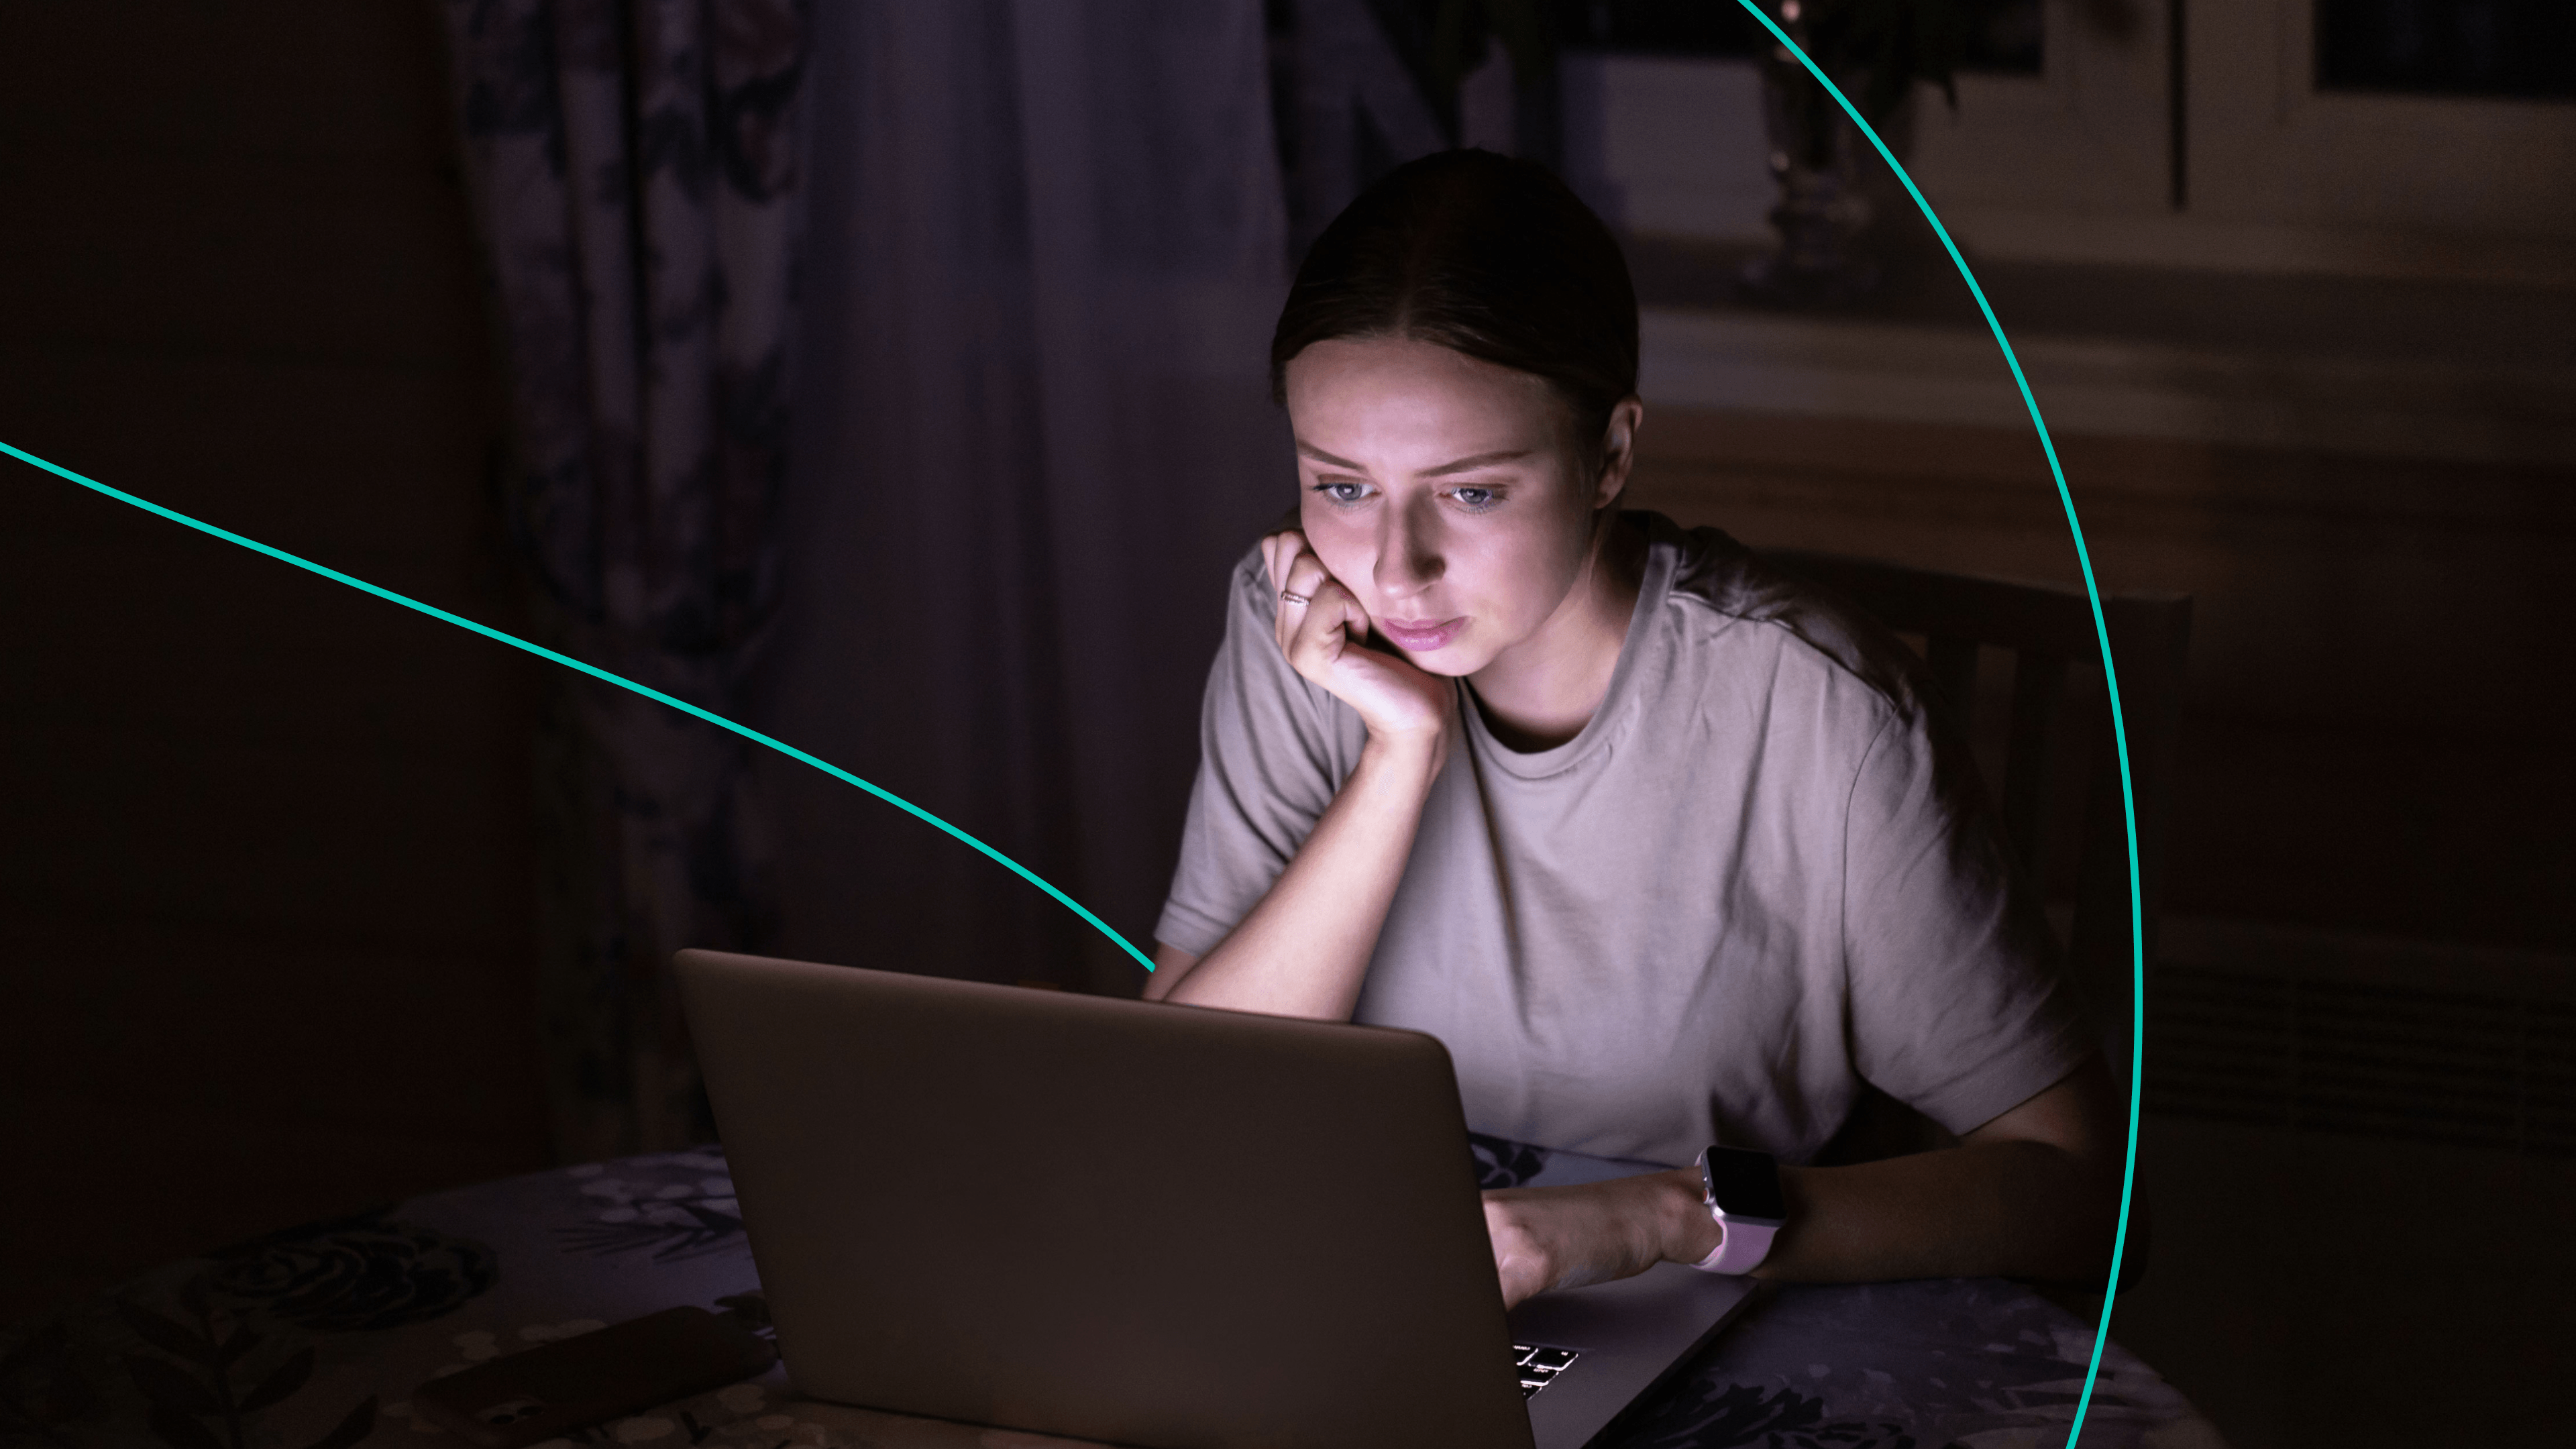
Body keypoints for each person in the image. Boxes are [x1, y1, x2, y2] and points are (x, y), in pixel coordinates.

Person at [1143, 149, 2125, 1309]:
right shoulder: (1303, 631)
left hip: (1727, 1314)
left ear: (1609, 454)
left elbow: (2086, 1199)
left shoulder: (1823, 713)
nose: (1395, 571)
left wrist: (1660, 1218)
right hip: (1385, 1298)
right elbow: (1184, 1106)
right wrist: (1399, 760)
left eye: (1472, 491)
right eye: (1342, 486)